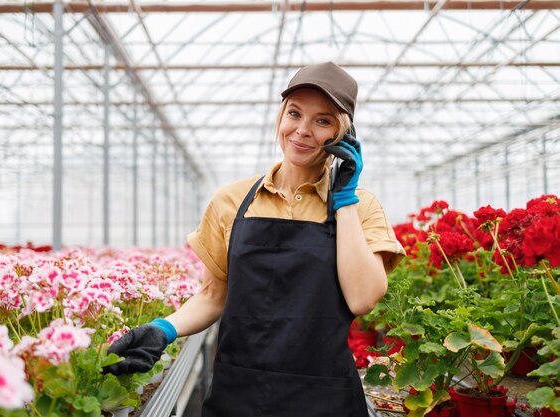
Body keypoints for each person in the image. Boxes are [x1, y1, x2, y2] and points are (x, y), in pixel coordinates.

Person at [104, 61, 405, 416]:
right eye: (294, 113)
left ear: (342, 134)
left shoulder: (360, 206)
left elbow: (363, 298)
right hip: (239, 393)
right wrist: (162, 329)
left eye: (322, 120)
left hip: (324, 395)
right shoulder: (231, 201)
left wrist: (344, 201)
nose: (303, 130)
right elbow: (213, 296)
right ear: (280, 117)